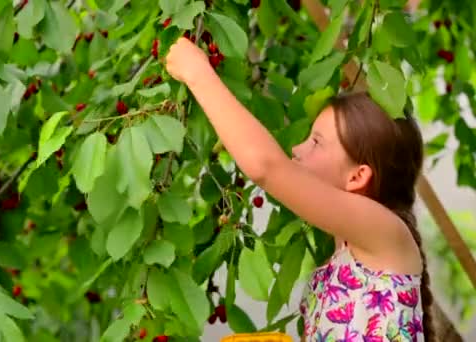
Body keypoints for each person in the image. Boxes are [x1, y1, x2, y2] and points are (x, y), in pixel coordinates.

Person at [164, 37, 434, 341]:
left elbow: (267, 167)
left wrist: (198, 73)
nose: (296, 148)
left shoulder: (386, 232)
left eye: (316, 142)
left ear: (358, 176)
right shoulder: (345, 257)